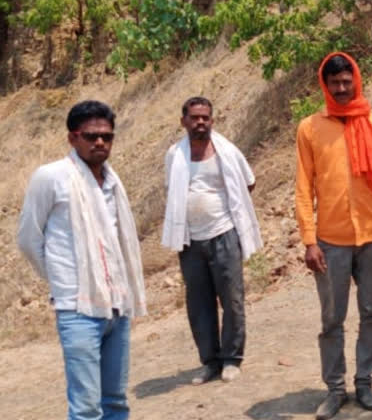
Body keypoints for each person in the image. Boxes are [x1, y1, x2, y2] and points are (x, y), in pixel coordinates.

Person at [17, 100, 147, 420]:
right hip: (77, 308)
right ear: (73, 138)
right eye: (91, 136)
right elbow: (29, 239)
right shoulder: (51, 177)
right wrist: (62, 280)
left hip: (116, 304)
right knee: (87, 406)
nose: (100, 142)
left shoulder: (113, 182)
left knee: (116, 400)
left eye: (107, 136)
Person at [295, 52, 372, 420]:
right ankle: (336, 389)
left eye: (346, 81)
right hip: (330, 241)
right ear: (324, 85)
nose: (341, 89)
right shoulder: (310, 128)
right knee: (331, 319)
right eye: (334, 83)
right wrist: (309, 240)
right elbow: (302, 189)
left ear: (357, 80)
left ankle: (365, 382)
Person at [162, 97, 263, 385]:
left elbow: (248, 182)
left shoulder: (227, 151)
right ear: (184, 121)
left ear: (212, 120)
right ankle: (209, 361)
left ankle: (232, 359)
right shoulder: (175, 155)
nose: (200, 122)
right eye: (194, 117)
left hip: (224, 233)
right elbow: (171, 189)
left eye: (205, 117)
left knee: (231, 299)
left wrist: (229, 212)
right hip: (190, 241)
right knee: (199, 303)